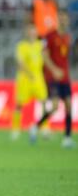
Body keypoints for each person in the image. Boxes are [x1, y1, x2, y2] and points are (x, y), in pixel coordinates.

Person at [30, 11, 75, 148]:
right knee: (55, 106)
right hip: (52, 77)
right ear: (57, 19)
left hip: (65, 77)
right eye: (60, 18)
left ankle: (67, 138)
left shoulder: (67, 37)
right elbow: (44, 55)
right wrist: (54, 70)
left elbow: (65, 58)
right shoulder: (50, 36)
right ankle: (35, 127)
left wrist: (67, 73)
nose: (63, 21)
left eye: (65, 18)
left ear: (67, 20)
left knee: (68, 106)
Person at [11, 23, 47, 140]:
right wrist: (28, 73)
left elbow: (46, 59)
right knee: (19, 104)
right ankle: (16, 129)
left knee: (43, 102)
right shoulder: (22, 46)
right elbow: (20, 62)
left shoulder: (41, 45)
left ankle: (44, 127)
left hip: (38, 78)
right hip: (25, 78)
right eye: (30, 31)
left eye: (34, 31)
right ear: (27, 32)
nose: (32, 33)